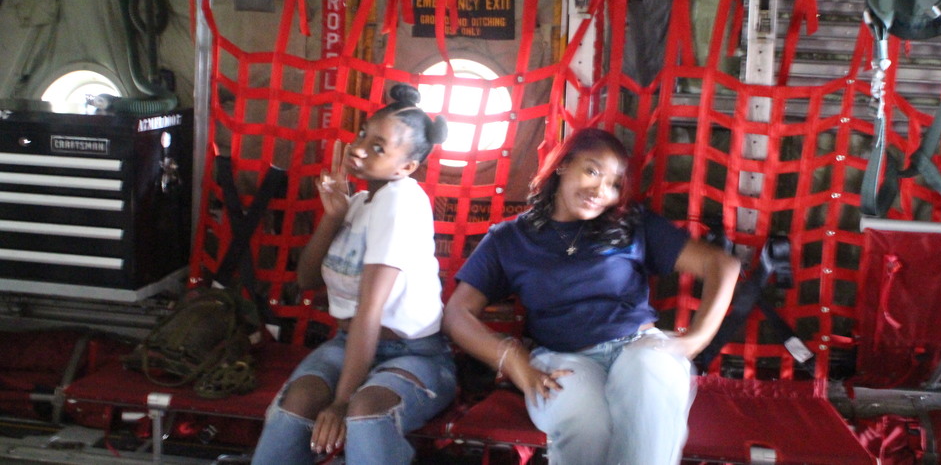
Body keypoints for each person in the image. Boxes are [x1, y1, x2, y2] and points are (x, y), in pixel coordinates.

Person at [442, 127, 741, 465]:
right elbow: (457, 314)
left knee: (650, 394)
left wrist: (697, 338)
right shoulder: (510, 238)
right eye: (592, 171)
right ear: (562, 165)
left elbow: (722, 265)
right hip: (561, 358)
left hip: (638, 346)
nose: (601, 191)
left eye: (614, 184)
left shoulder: (631, 223)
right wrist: (514, 362)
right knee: (586, 424)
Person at [251, 83, 456, 465]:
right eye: (362, 134)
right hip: (349, 344)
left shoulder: (402, 200)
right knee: (297, 403)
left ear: (406, 167)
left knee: (365, 411)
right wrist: (334, 216)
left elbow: (370, 309)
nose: (358, 148)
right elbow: (307, 281)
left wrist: (342, 401)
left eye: (378, 147)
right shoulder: (362, 201)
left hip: (414, 354)